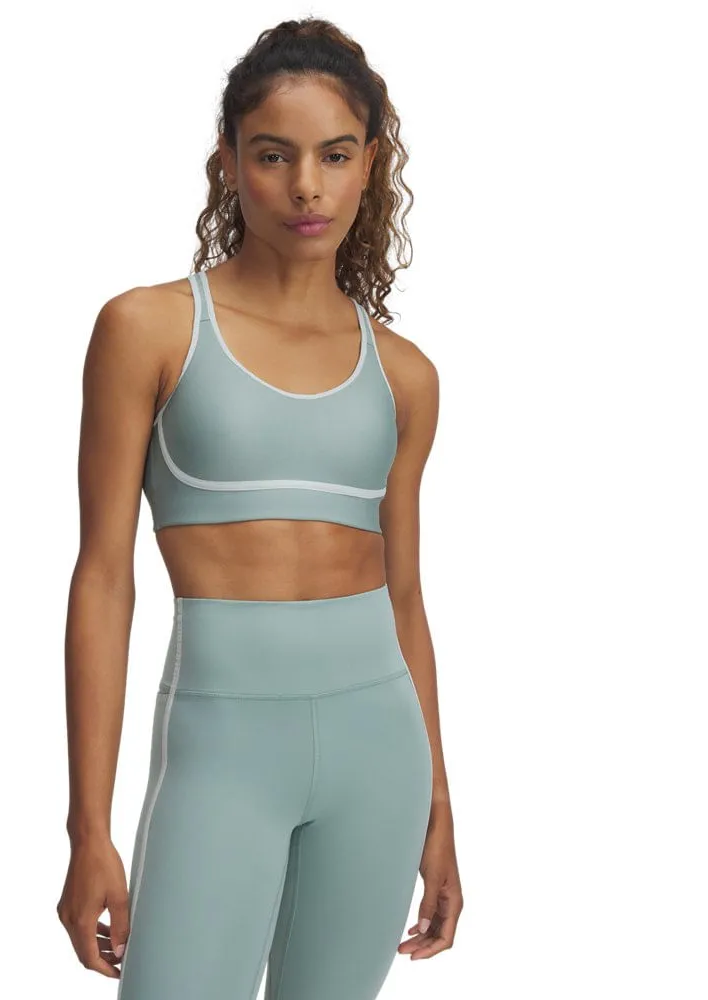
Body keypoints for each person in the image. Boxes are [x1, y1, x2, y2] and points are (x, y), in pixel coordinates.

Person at [57, 17, 462, 999]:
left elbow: (405, 597)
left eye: (335, 155)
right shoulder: (149, 329)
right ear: (228, 162)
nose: (307, 186)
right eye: (274, 155)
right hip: (220, 752)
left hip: (380, 752)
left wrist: (441, 809)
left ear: (371, 164)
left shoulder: (403, 374)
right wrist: (88, 827)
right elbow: (104, 578)